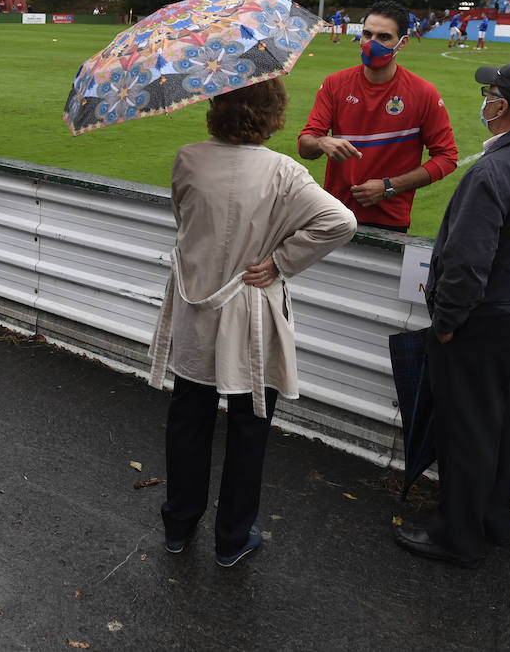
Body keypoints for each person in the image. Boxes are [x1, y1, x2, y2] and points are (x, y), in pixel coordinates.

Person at [148, 81, 356, 567]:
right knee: (248, 427)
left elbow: (185, 222)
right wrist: (281, 260)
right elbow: (341, 221)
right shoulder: (284, 171)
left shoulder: (189, 159)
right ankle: (232, 536)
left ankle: (179, 525)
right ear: (273, 115)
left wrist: (275, 258)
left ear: (217, 108)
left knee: (189, 418)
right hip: (248, 312)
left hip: (198, 305)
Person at [394, 60, 510, 567]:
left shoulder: (493, 170)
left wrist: (447, 322)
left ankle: (458, 536)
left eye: (490, 94)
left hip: (494, 317)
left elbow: (465, 261)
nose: (485, 101)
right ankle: (492, 518)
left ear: (502, 107)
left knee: (470, 429)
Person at [298, 0, 458, 234]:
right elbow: (305, 146)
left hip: (389, 221)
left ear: (402, 43)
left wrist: (389, 187)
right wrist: (322, 142)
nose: (371, 44)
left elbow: (447, 157)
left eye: (383, 37)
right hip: (334, 214)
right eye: (367, 35)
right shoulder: (335, 84)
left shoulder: (423, 93)